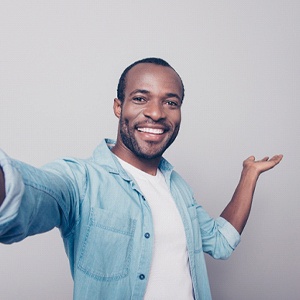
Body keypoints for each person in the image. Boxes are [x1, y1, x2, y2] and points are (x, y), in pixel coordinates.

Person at [0, 57, 283, 300]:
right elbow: (29, 193)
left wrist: (249, 175)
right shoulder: (81, 179)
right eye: (140, 98)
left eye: (170, 102)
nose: (156, 113)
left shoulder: (178, 189)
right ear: (118, 106)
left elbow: (221, 242)